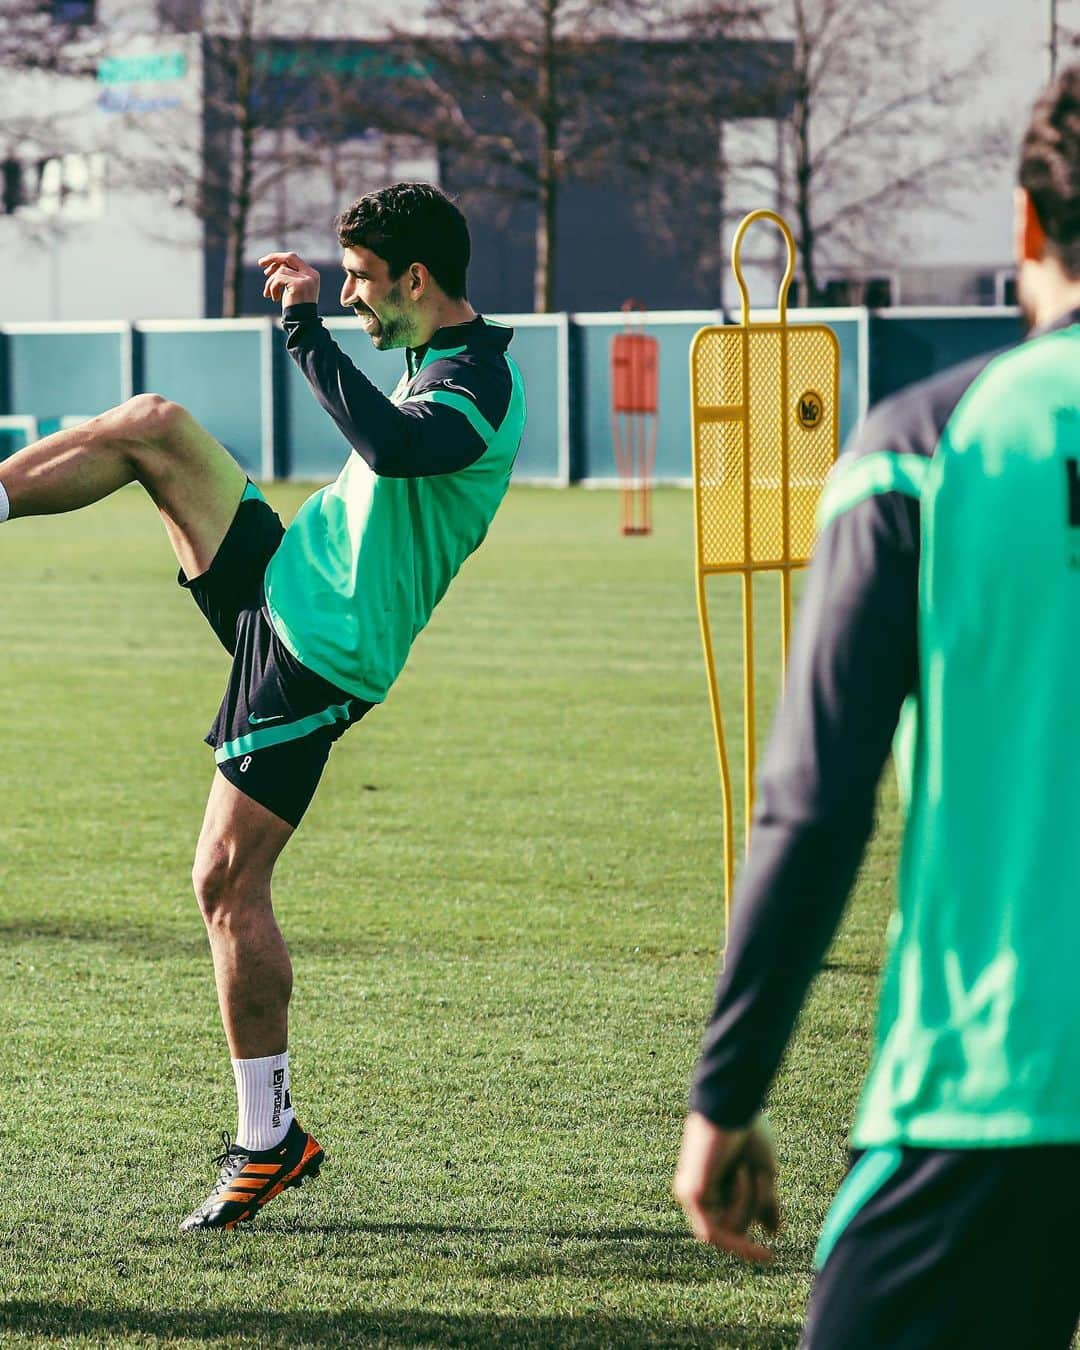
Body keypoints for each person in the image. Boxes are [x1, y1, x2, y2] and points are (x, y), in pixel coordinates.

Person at [0, 182, 526, 1231]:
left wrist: (302, 327)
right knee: (154, 427)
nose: (356, 303)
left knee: (223, 883)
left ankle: (268, 1137)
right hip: (290, 579)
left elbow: (398, 448)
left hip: (319, 656)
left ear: (417, 280)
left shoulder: (477, 382)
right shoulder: (434, 355)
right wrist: (322, 318)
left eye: (367, 285)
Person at [674, 68, 1080, 1347]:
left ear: (1027, 225)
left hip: (996, 1090)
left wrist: (727, 1095)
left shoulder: (926, 446)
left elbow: (814, 797)